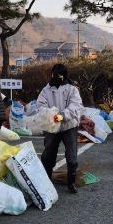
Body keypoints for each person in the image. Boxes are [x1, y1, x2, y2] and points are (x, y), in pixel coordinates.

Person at [36, 63, 83, 194]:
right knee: (48, 154)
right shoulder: (46, 90)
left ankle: (71, 182)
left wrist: (62, 116)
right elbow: (40, 105)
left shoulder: (72, 89)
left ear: (64, 76)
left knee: (72, 155)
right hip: (52, 127)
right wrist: (49, 114)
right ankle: (46, 181)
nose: (56, 78)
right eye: (54, 75)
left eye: (59, 76)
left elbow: (76, 107)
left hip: (69, 125)